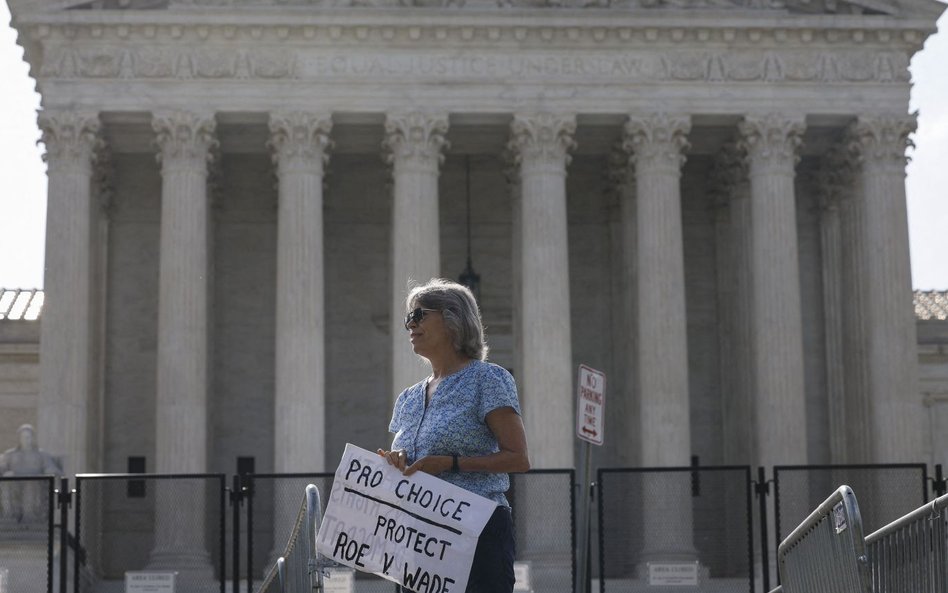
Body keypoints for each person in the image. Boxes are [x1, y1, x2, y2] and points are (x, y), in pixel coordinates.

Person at [378, 278, 530, 593]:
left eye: (418, 315)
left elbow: (518, 458)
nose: (409, 324)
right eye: (408, 318)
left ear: (452, 320)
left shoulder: (487, 379)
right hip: (418, 537)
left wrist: (451, 463)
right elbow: (413, 461)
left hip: (476, 532)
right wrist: (396, 461)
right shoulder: (408, 396)